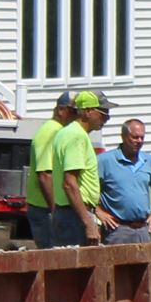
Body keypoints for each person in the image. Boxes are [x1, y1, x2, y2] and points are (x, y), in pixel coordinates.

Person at [55, 90, 110, 246]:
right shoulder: (77, 136)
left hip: (70, 212)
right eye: (103, 113)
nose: (107, 119)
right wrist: (88, 223)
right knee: (77, 268)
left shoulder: (67, 132)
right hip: (75, 216)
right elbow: (69, 183)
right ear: (87, 111)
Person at [97, 117, 151, 244]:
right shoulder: (105, 161)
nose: (139, 141)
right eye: (134, 137)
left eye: (142, 138)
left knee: (144, 263)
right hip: (117, 229)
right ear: (123, 136)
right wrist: (99, 212)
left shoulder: (149, 161)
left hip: (143, 229)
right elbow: (87, 191)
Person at [25, 91, 78, 248]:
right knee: (53, 259)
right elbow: (45, 175)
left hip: (47, 208)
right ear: (61, 110)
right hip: (45, 209)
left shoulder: (61, 131)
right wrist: (56, 212)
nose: (78, 116)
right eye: (74, 111)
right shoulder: (51, 132)